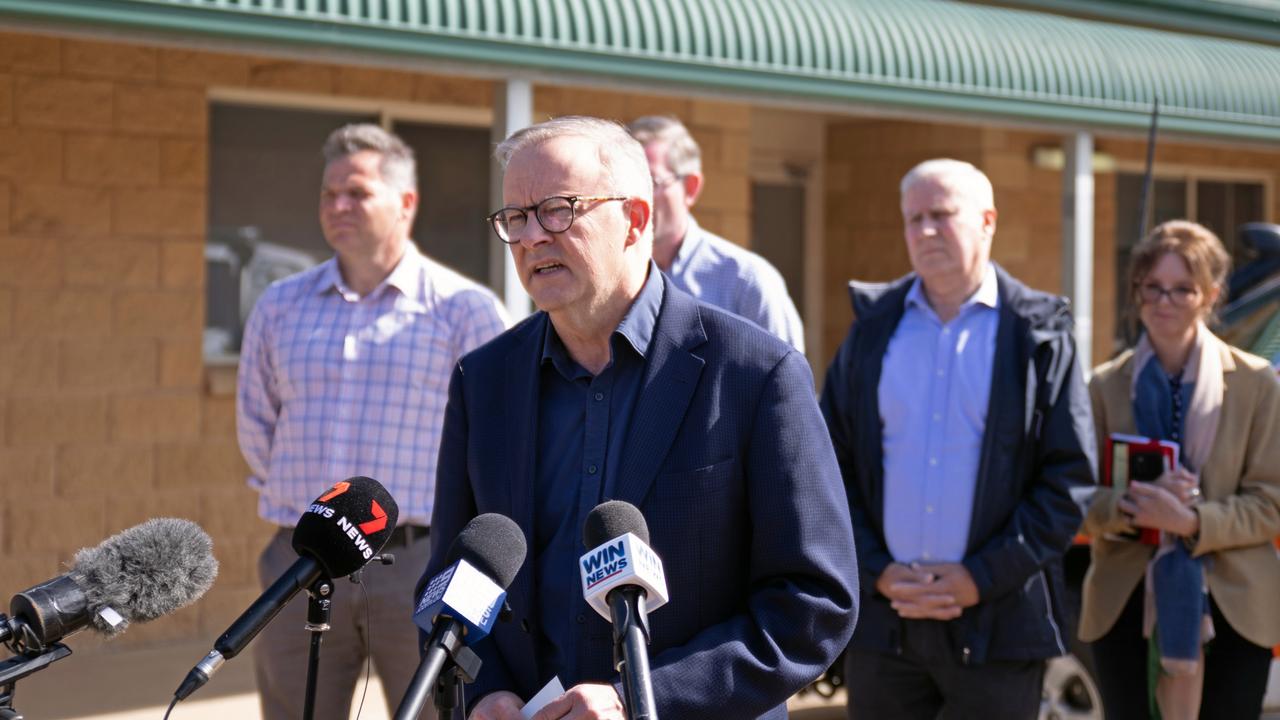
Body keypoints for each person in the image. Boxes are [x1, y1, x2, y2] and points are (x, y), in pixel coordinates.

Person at [421, 116, 858, 720]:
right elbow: (454, 575)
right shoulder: (484, 380)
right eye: (515, 218)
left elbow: (813, 606)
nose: (530, 238)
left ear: (635, 220)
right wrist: (483, 689)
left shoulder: (757, 373)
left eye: (557, 210)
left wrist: (641, 700)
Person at [236, 123, 509, 720]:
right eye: (329, 193)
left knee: (440, 712)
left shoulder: (464, 310)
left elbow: (501, 444)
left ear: (406, 203)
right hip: (299, 561)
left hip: (419, 563)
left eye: (356, 192)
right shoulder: (279, 306)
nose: (337, 206)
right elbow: (258, 429)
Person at [820, 158, 1096, 719]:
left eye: (941, 215)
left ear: (988, 221)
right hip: (884, 625)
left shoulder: (1037, 333)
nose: (924, 231)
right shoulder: (872, 331)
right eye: (913, 218)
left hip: (998, 626)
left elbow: (1070, 481)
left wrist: (980, 577)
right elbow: (827, 467)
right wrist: (876, 569)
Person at [1079, 220, 1280, 720]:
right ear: (1137, 291)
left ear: (1211, 294)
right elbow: (1073, 498)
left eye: (1182, 289)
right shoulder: (1102, 386)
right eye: (1153, 288)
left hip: (1234, 609)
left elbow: (1271, 502)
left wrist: (1192, 523)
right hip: (1123, 607)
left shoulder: (1256, 384)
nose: (1163, 301)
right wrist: (1130, 507)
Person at [626, 115, 806, 352]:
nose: (634, 199)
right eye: (626, 184)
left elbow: (787, 381)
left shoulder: (747, 283)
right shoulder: (610, 278)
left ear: (690, 187)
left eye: (651, 182)